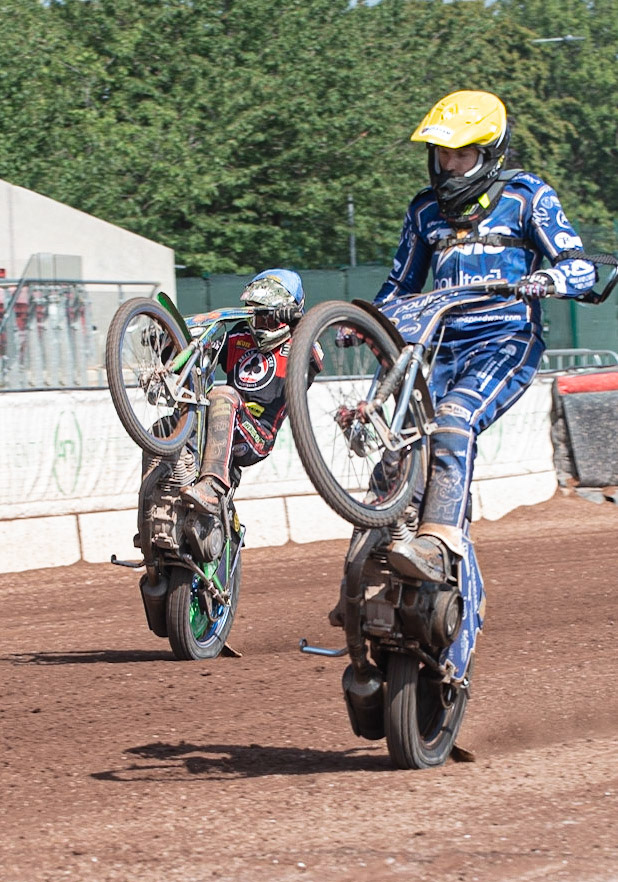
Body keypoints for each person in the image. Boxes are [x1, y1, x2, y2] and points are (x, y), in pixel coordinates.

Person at [374, 89, 596, 583]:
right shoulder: (424, 211)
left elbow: (580, 267)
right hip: (441, 346)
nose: (449, 165)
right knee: (398, 450)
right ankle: (369, 562)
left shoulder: (527, 196)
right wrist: (359, 320)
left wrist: (551, 279)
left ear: (489, 152)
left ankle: (438, 543)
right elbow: (398, 287)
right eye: (443, 154)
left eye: (462, 153)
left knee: (453, 422)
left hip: (506, 342)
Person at [180, 268, 320, 514]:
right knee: (167, 424)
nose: (260, 323)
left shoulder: (299, 346)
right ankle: (150, 509)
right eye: (257, 315)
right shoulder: (238, 336)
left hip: (258, 436)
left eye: (269, 316)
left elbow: (315, 360)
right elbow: (203, 353)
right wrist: (171, 346)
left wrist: (299, 323)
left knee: (224, 395)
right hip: (217, 423)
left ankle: (212, 487)